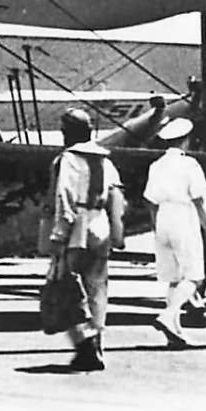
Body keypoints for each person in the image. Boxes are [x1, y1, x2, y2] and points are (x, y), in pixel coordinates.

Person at [47, 108, 126, 372]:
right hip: (100, 222)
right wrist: (117, 231)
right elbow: (116, 196)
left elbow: (63, 198)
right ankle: (98, 346)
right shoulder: (106, 160)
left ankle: (85, 344)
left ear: (67, 133)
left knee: (66, 286)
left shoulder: (67, 159)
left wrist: (59, 234)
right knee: (97, 288)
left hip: (77, 227)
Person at [143, 117, 206, 348]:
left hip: (163, 217)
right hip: (183, 215)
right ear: (185, 141)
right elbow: (198, 200)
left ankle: (174, 331)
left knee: (174, 278)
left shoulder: (156, 166)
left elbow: (149, 200)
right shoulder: (190, 165)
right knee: (195, 275)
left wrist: (156, 226)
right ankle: (168, 315)